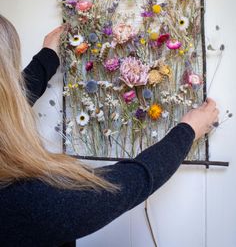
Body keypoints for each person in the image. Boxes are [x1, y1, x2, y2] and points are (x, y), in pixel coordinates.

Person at [0, 15, 219, 247]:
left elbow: (8, 105)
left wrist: (47, 57)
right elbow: (127, 183)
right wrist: (188, 131)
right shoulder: (27, 201)